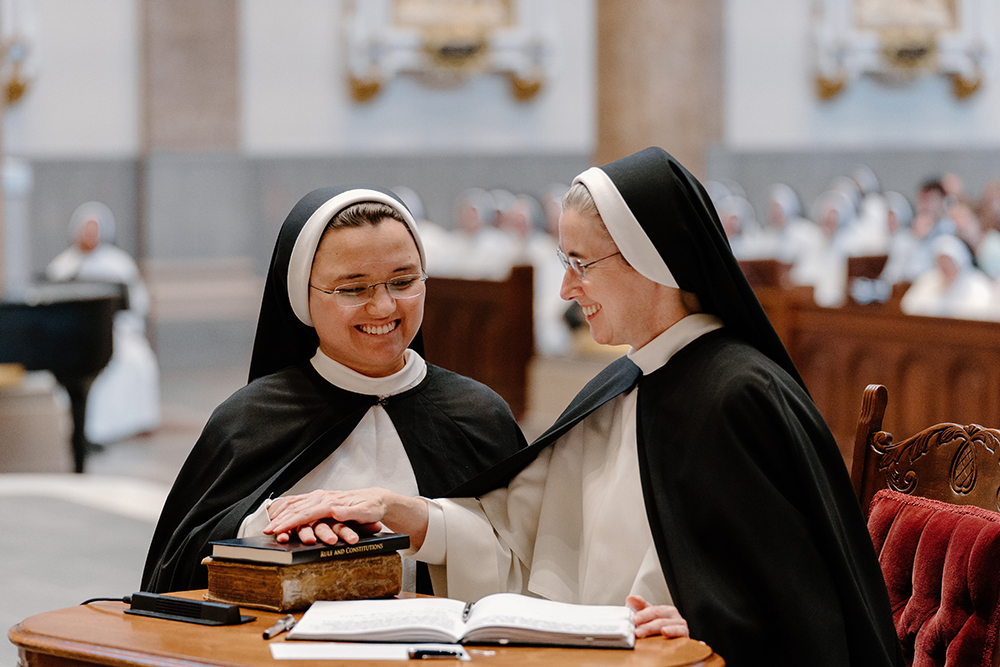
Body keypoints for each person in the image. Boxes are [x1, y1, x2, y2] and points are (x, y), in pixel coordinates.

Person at [262, 149, 903, 667]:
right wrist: (408, 515)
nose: (566, 287)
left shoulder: (739, 396)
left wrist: (719, 629)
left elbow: (804, 603)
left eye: (580, 263)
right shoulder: (627, 382)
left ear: (653, 258)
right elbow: (523, 553)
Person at [141, 186, 526, 593]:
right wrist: (271, 528)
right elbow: (176, 572)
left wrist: (421, 523)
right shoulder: (249, 420)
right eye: (354, 288)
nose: (384, 307)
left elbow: (533, 564)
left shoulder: (479, 415)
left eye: (403, 281)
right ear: (303, 298)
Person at [45, 201, 160, 445]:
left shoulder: (118, 264)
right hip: (73, 338)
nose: (90, 235)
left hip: (115, 333)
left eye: (94, 229)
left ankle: (125, 425)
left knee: (137, 362)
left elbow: (137, 304)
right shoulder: (63, 266)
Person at [901, 234, 996, 321]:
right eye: (942, 261)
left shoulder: (979, 284)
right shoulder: (928, 281)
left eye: (949, 261)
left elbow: (984, 315)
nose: (946, 266)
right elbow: (908, 307)